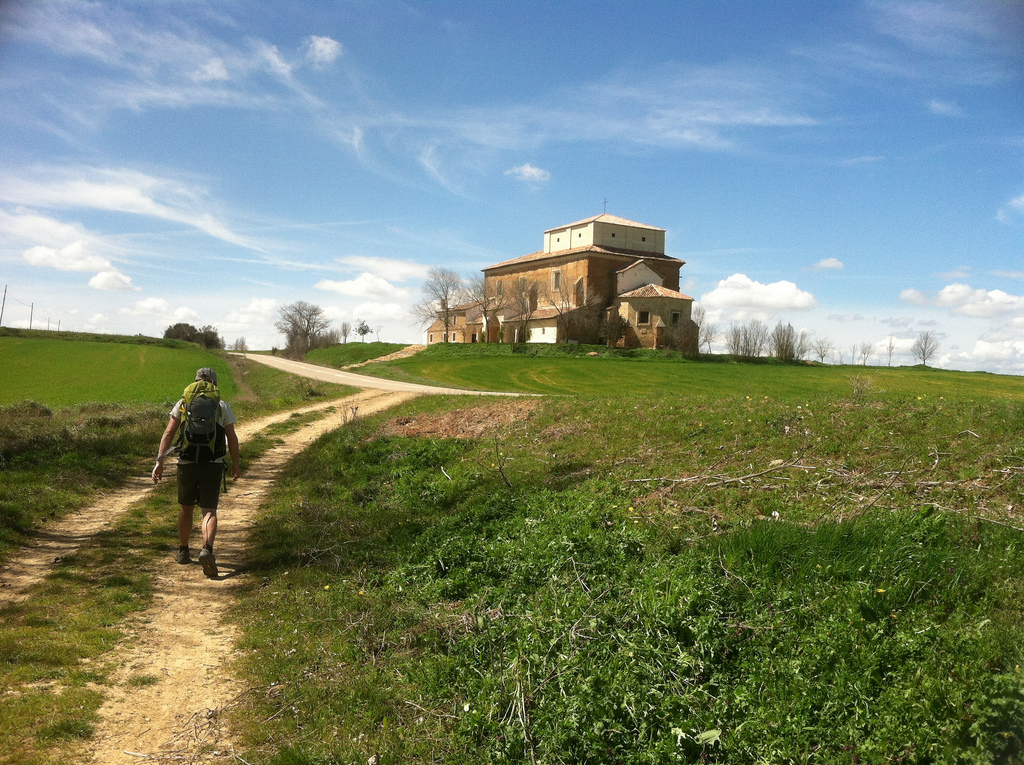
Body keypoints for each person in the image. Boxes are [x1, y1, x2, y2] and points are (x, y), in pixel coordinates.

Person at [152, 367, 241, 578]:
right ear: (214, 384)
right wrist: (235, 463)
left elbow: (169, 432)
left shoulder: (183, 404)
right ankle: (207, 549)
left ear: (195, 383)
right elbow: (232, 436)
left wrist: (159, 462)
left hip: (186, 462)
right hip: (212, 463)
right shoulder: (221, 406)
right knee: (209, 510)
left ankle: (183, 551)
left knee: (186, 507)